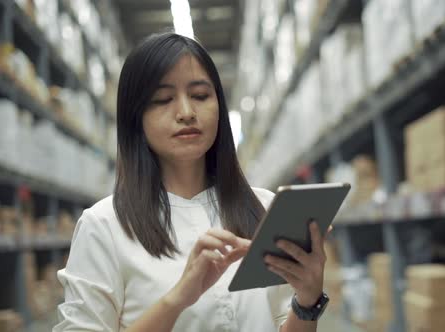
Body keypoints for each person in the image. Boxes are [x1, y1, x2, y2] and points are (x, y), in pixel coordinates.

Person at [54, 32, 330, 332]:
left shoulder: (264, 209)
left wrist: (306, 301)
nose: (186, 113)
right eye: (162, 100)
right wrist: (177, 299)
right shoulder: (103, 227)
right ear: (136, 118)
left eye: (200, 96)